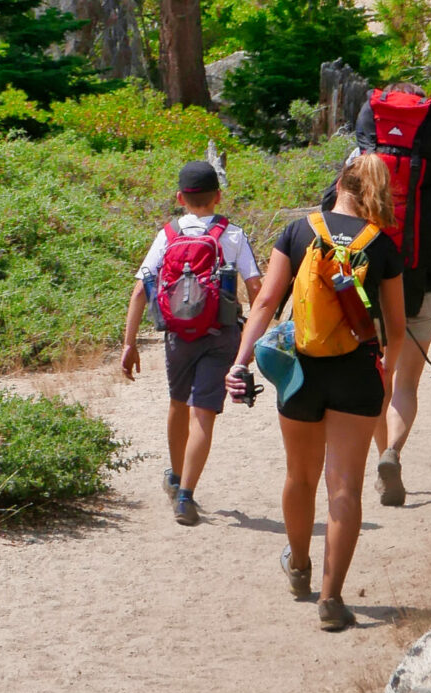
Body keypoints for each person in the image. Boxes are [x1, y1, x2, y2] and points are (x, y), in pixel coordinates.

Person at [228, 154, 406, 632]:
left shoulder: (298, 230)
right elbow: (396, 328)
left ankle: (300, 568)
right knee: (344, 487)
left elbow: (265, 300)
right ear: (376, 192)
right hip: (355, 374)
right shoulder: (383, 246)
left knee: (299, 477)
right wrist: (387, 367)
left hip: (299, 374)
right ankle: (331, 599)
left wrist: (240, 361)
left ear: (338, 182)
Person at [344, 82, 431, 506]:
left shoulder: (359, 158)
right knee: (407, 382)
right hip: (422, 285)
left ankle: (380, 459)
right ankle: (392, 452)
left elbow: (335, 217)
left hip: (368, 285)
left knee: (378, 376)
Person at [121, 159, 264, 527]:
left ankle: (174, 474)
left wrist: (129, 343)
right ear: (218, 196)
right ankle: (186, 495)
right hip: (221, 336)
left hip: (177, 336)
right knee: (203, 412)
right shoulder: (232, 235)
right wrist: (253, 339)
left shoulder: (167, 234)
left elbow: (140, 290)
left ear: (180, 198)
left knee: (177, 403)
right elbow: (255, 290)